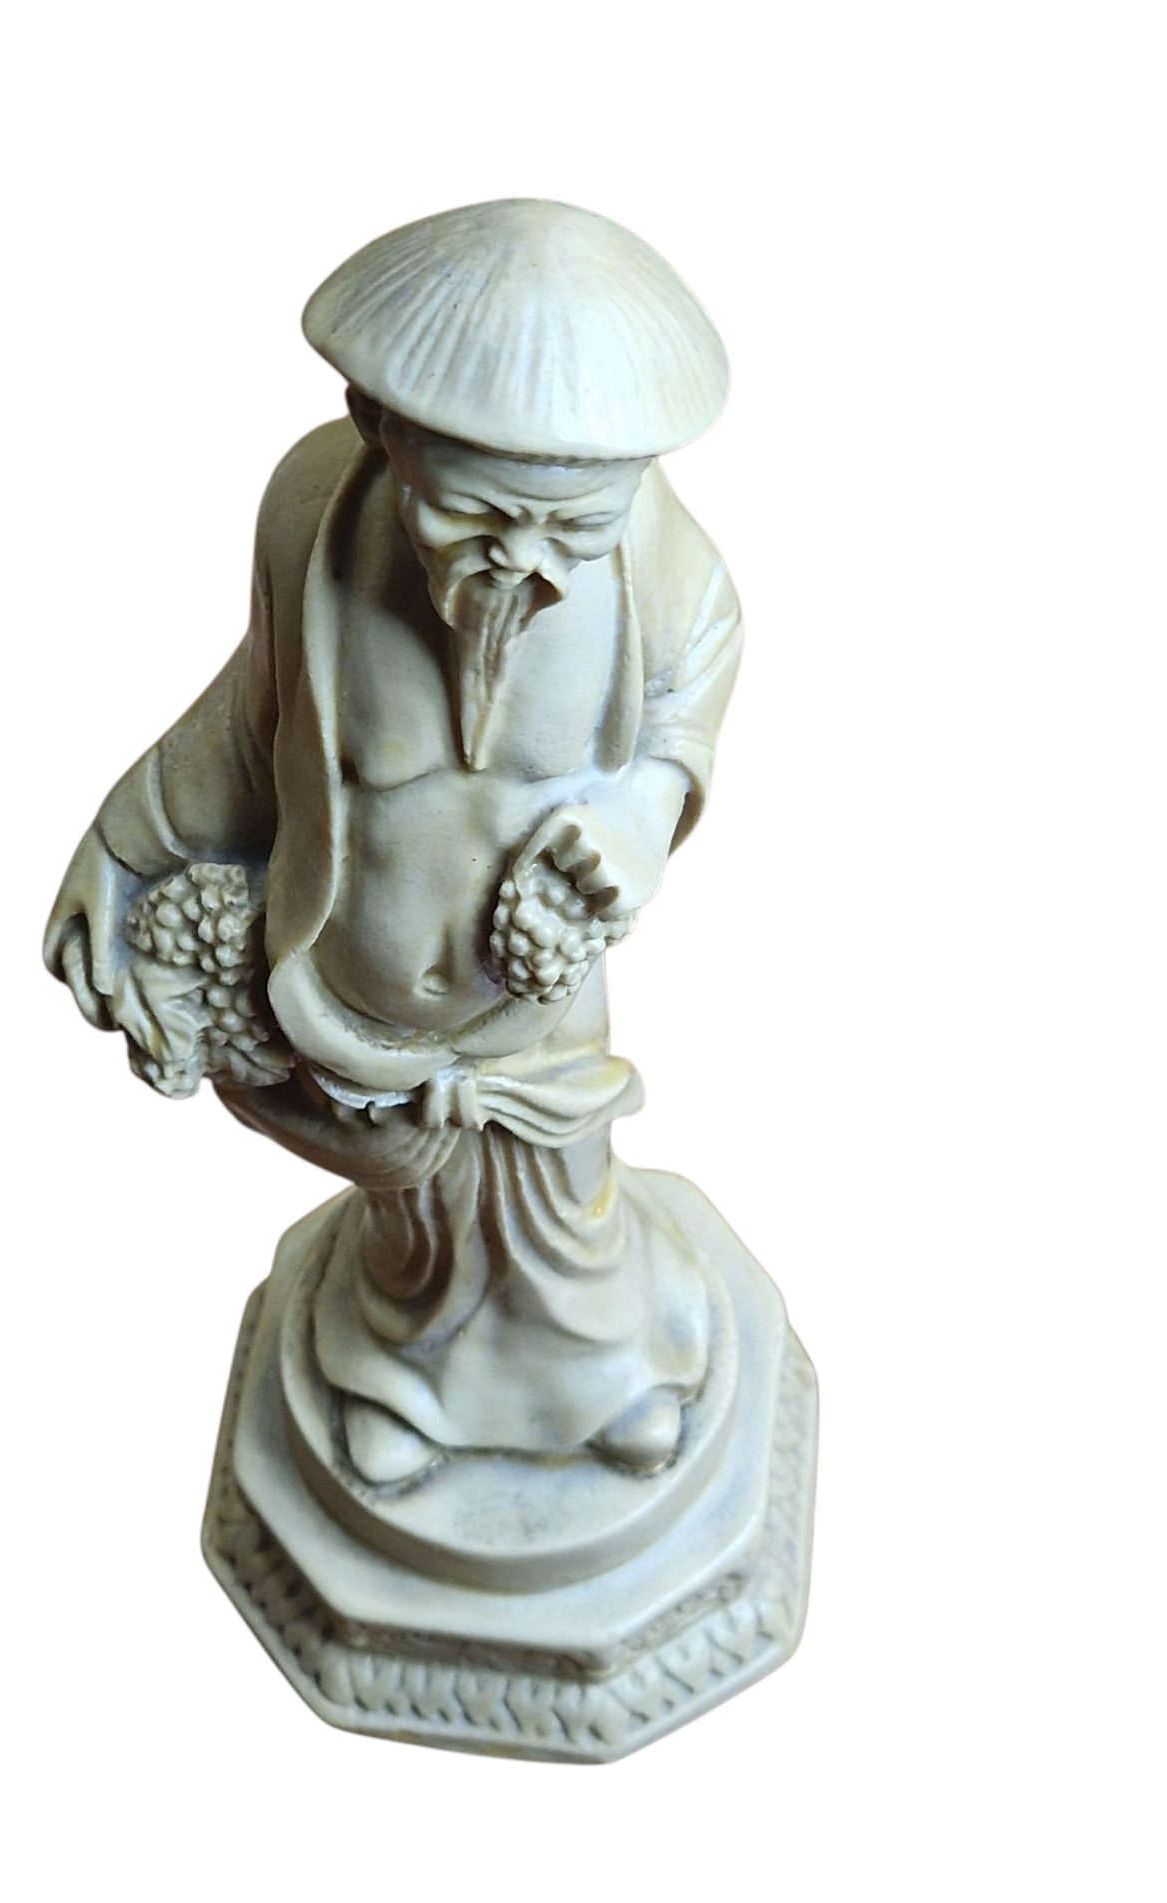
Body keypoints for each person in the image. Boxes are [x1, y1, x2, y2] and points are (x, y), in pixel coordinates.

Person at [44, 200, 743, 1483]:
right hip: (350, 1002)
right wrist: (125, 841)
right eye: (478, 512)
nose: (525, 560)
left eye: (574, 529)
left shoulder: (669, 578)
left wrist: (641, 821)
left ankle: (604, 1376)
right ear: (381, 428)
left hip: (533, 1010)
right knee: (414, 1230)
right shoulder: (315, 522)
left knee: (561, 1210)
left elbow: (679, 733)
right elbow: (253, 719)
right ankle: (406, 1381)